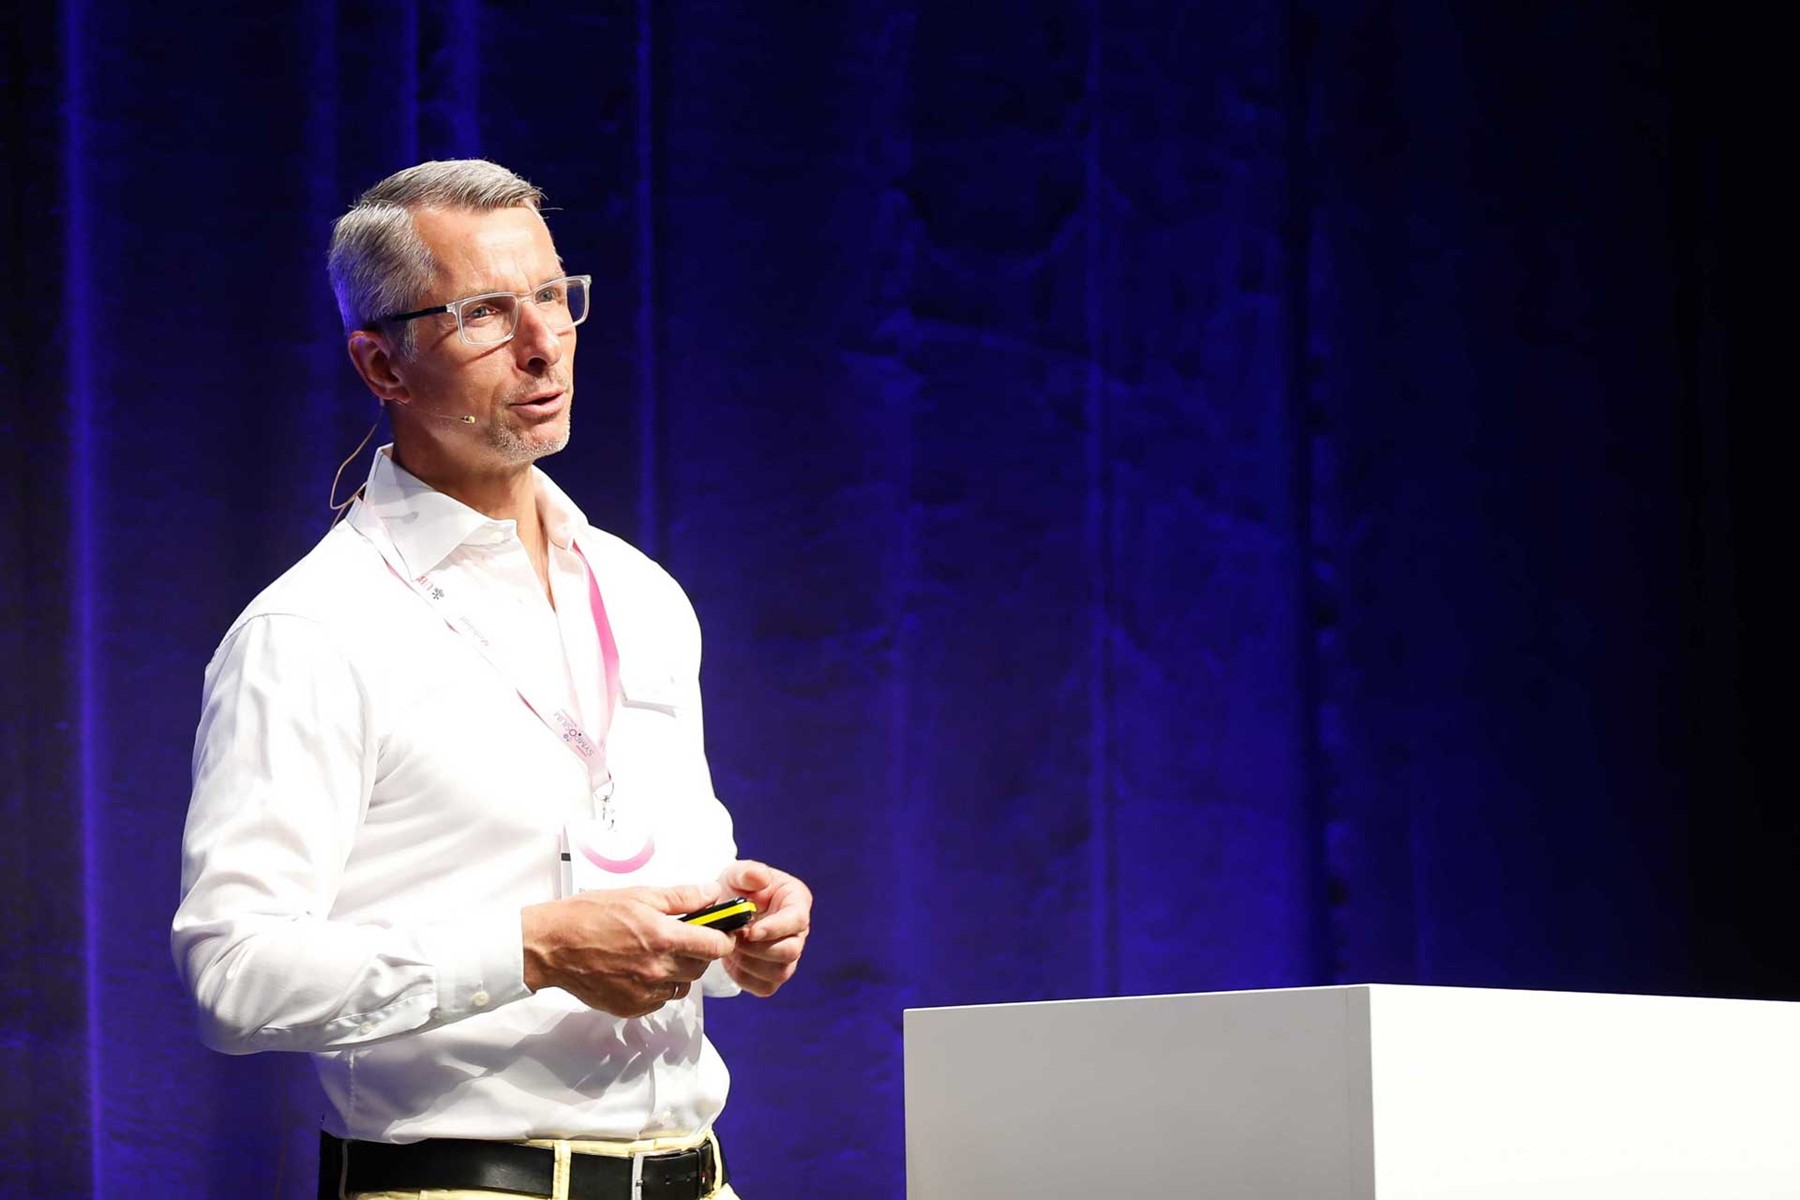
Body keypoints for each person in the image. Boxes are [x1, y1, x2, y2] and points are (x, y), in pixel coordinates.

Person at [171, 159, 810, 1200]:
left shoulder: (639, 592)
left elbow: (661, 888)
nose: (542, 342)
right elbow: (234, 977)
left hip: (694, 1174)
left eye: (553, 295)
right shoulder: (314, 630)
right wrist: (532, 952)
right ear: (382, 364)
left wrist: (738, 924)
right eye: (483, 314)